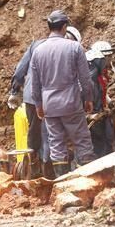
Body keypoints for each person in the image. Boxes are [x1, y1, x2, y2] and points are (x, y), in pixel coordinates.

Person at [8, 24, 82, 179]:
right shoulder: (71, 51)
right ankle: (50, 177)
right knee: (51, 135)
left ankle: (34, 173)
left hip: (30, 97)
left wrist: (15, 91)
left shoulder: (36, 44)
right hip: (53, 99)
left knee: (34, 135)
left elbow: (21, 69)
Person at [30, 10, 96, 178]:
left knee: (56, 144)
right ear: (65, 27)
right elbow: (85, 79)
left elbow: (35, 84)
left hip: (50, 106)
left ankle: (62, 183)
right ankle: (86, 181)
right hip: (71, 103)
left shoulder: (38, 51)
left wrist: (38, 105)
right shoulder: (74, 47)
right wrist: (88, 99)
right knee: (82, 141)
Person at [86, 41, 115, 158]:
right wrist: (88, 116)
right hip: (91, 118)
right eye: (108, 58)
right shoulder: (89, 78)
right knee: (98, 146)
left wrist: (109, 104)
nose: (110, 60)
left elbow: (102, 91)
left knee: (108, 140)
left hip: (100, 114)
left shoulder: (100, 74)